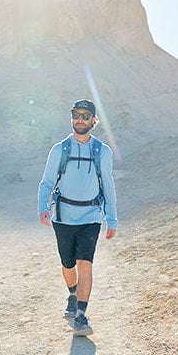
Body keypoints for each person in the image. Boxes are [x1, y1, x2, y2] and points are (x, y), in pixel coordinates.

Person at [37, 98, 118, 336]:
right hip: (62, 217)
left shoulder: (102, 151)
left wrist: (110, 219)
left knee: (85, 263)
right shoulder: (59, 149)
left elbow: (108, 186)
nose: (80, 120)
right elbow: (47, 182)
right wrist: (43, 207)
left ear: (94, 120)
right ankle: (72, 293)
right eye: (76, 115)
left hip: (90, 217)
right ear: (72, 118)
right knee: (68, 264)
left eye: (85, 116)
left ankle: (81, 316)